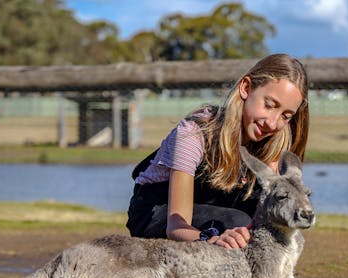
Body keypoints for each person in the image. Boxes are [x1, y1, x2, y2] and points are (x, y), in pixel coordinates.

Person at [126, 53, 309, 249]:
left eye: (286, 116)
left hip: (216, 206)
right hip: (160, 212)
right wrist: (212, 239)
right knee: (235, 223)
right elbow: (176, 226)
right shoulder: (194, 133)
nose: (273, 122)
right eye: (269, 105)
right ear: (246, 88)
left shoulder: (274, 141)